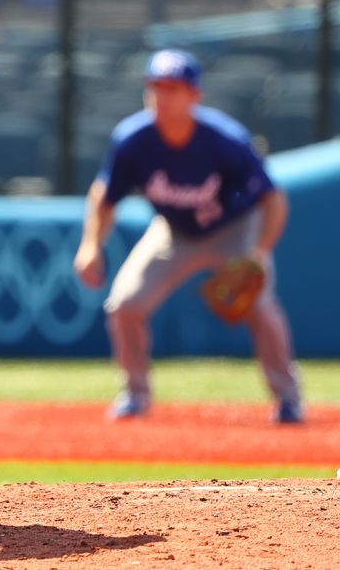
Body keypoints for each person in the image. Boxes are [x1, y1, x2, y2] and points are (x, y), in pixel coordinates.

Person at [72, 49, 302, 424]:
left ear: (195, 95)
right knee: (124, 305)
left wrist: (259, 252)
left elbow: (274, 200)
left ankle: (288, 398)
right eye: (156, 87)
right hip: (173, 232)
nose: (163, 96)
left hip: (234, 231)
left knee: (259, 302)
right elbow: (104, 195)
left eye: (173, 88)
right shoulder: (132, 139)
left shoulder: (225, 139)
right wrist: (90, 244)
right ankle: (135, 394)